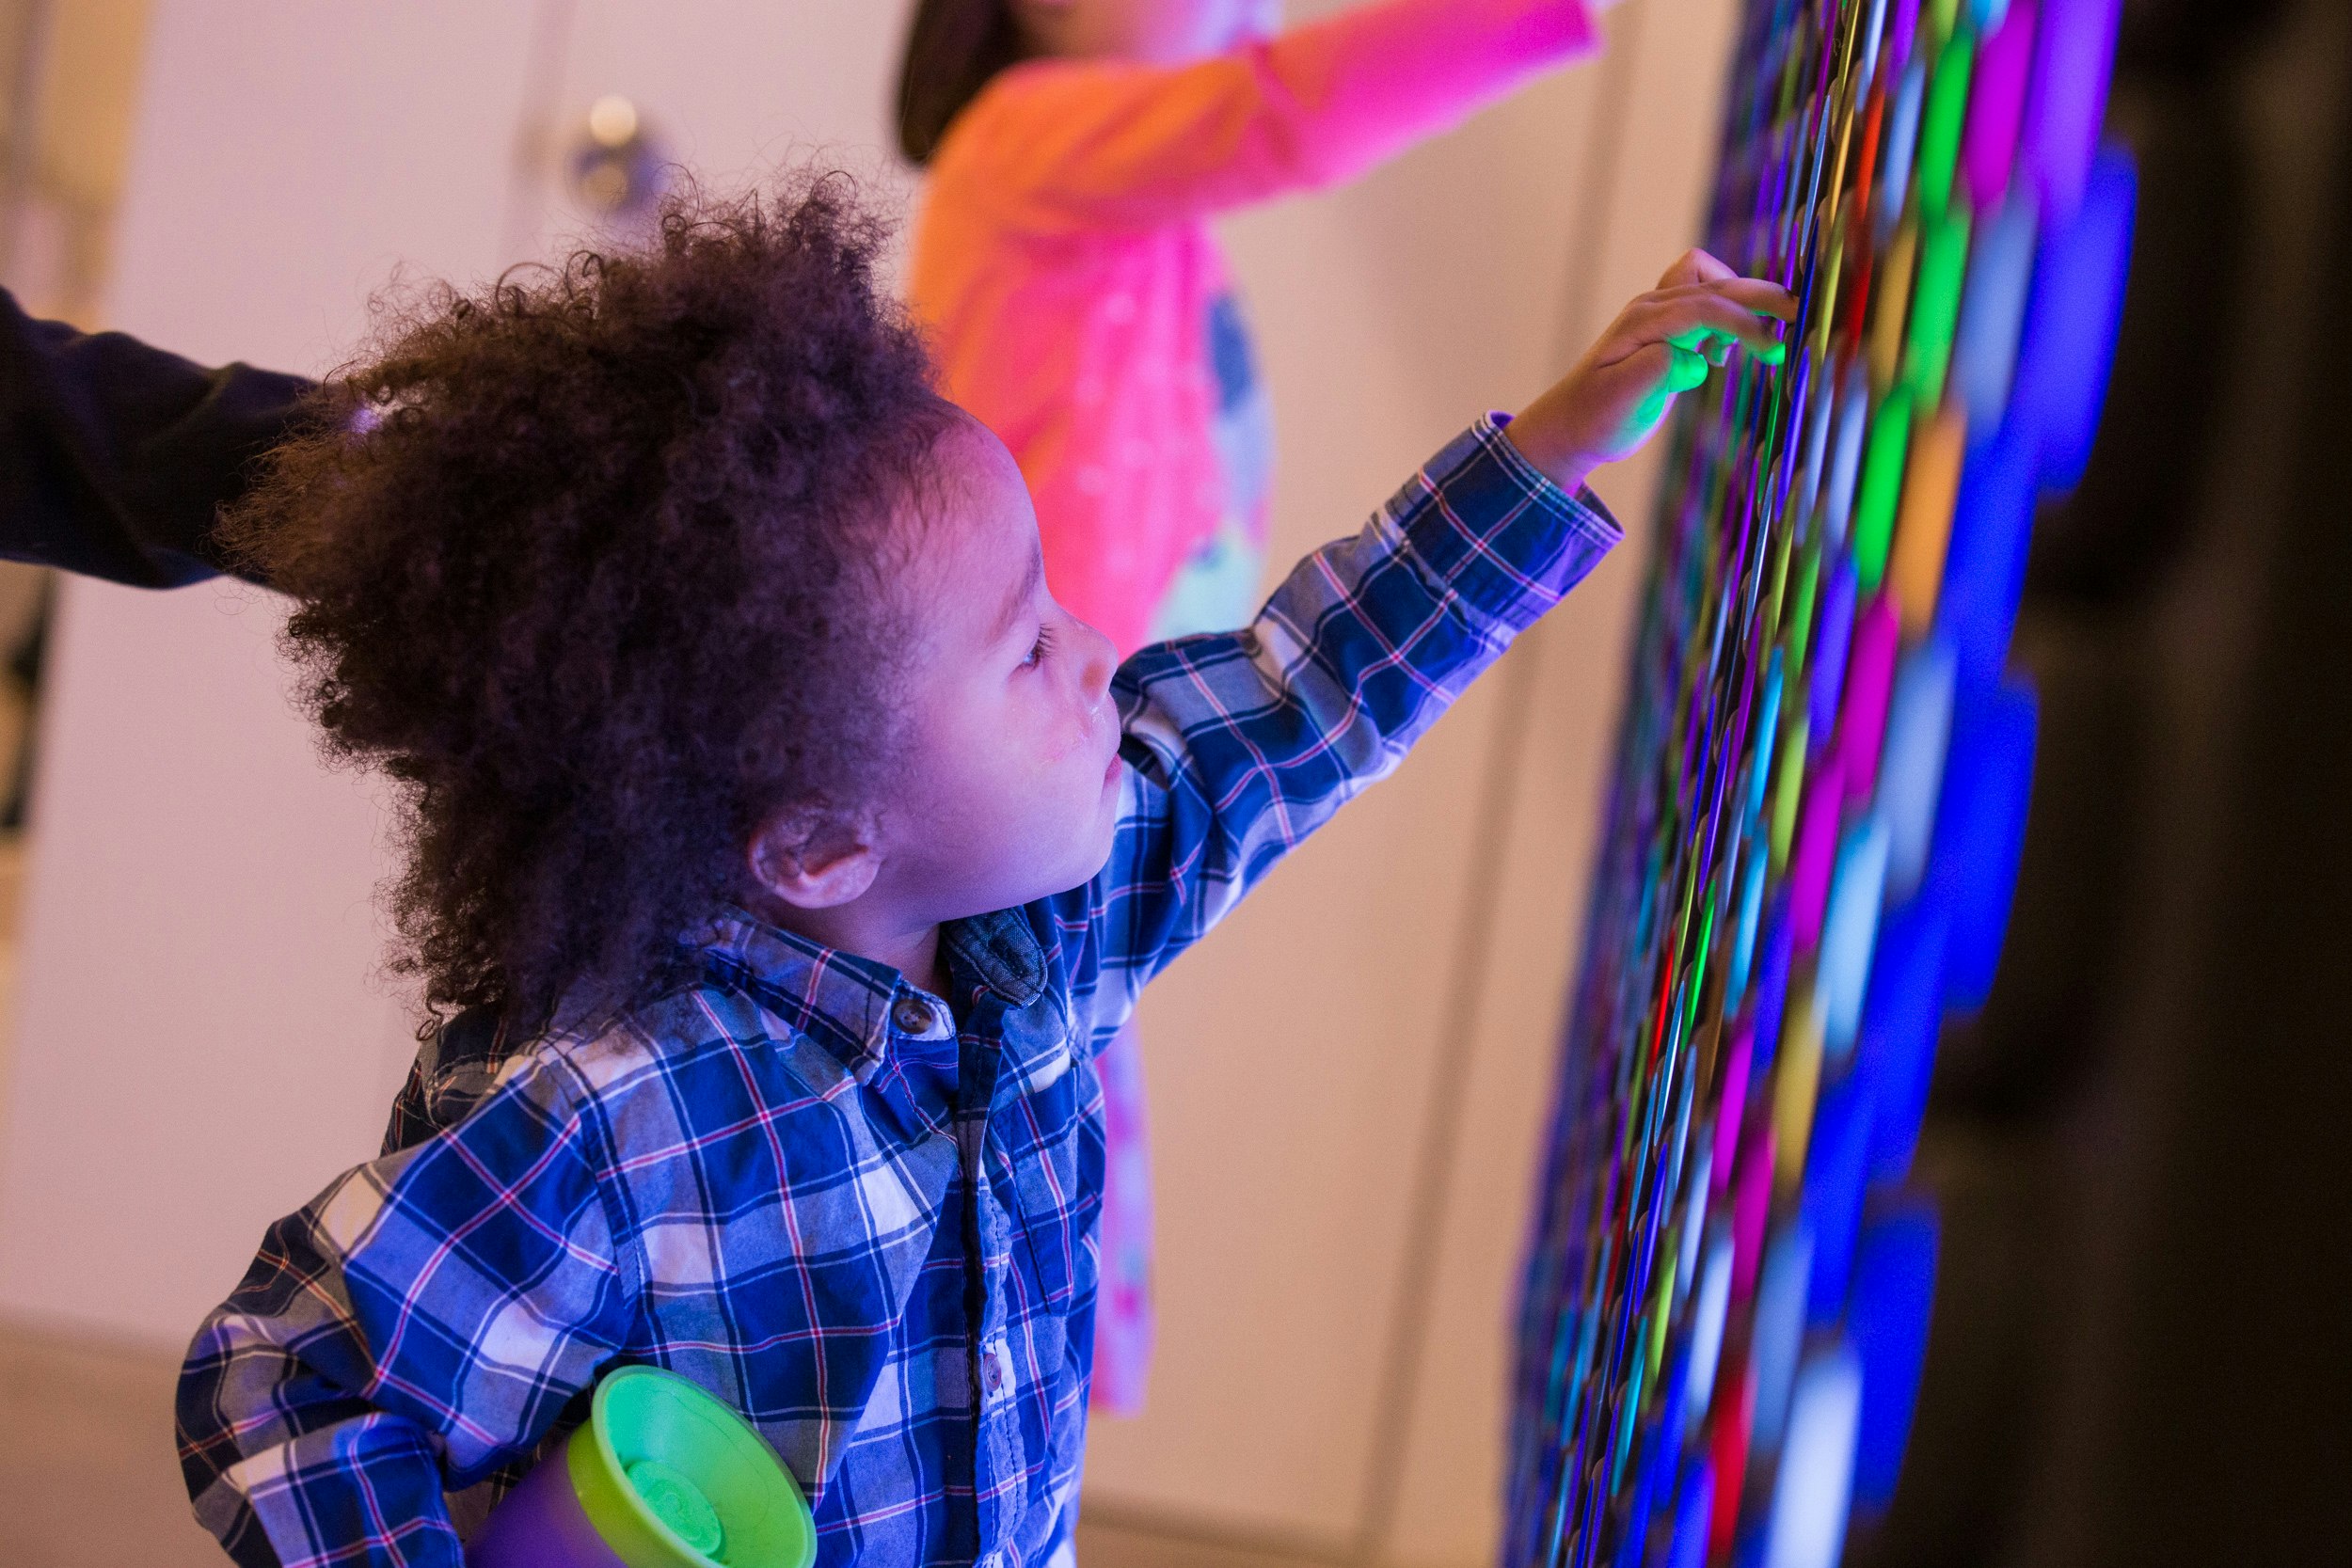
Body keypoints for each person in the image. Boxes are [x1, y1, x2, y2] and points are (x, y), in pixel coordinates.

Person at [171, 172, 1787, 1568]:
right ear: (817, 844)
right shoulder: (611, 1114)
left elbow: (1302, 697)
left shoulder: (1039, 934)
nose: (1099, 660)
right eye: (1023, 650)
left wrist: (1561, 440)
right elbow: (286, 1385)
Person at [900, 0, 1619, 1402]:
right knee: (1029, 1176)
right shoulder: (1022, 145)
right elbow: (1279, 113)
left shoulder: (1134, 204)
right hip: (1027, 774)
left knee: (1053, 1171)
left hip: (1097, 767)